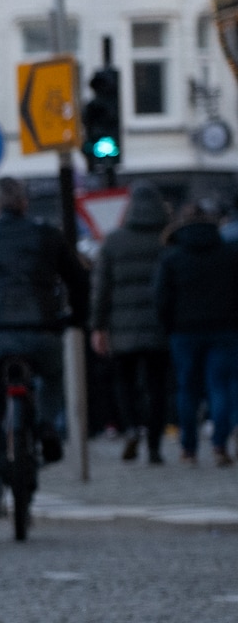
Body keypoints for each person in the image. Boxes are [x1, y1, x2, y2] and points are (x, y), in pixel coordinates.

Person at [0, 176, 88, 513]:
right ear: (25, 204)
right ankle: (49, 424)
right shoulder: (47, 235)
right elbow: (78, 280)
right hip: (42, 331)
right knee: (52, 378)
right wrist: (75, 317)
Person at [94, 183, 175, 464]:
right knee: (157, 387)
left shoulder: (114, 241)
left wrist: (98, 326)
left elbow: (101, 288)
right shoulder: (168, 240)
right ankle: (154, 444)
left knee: (124, 383)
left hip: (122, 326)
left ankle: (131, 428)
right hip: (159, 327)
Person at [158, 198, 238, 465]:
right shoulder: (228, 253)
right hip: (224, 328)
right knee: (221, 387)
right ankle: (220, 444)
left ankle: (188, 449)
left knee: (187, 389)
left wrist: (168, 326)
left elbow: (162, 298)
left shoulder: (173, 257)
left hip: (184, 331)